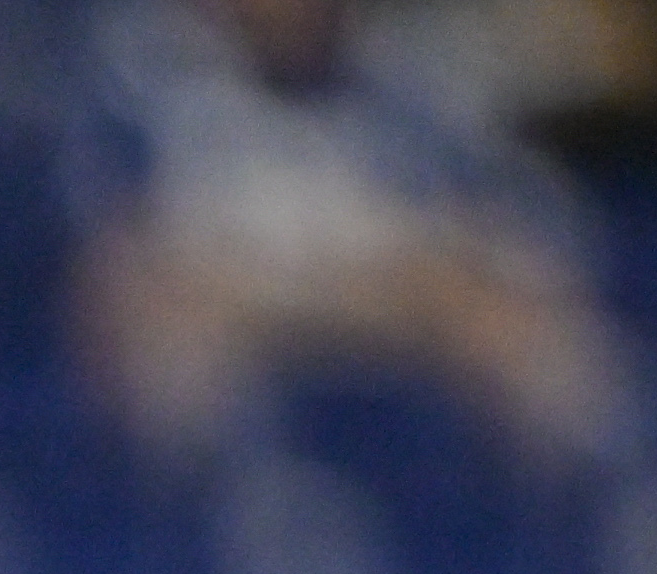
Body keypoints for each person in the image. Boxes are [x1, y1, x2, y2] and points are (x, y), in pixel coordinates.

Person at [72, 0, 628, 464]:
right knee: (167, 335)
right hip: (251, 355)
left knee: (544, 347)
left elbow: (503, 253)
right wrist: (387, 291)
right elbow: (137, 267)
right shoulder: (147, 74)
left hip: (377, 327)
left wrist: (301, 291)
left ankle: (540, 549)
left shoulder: (415, 86)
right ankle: (201, 545)